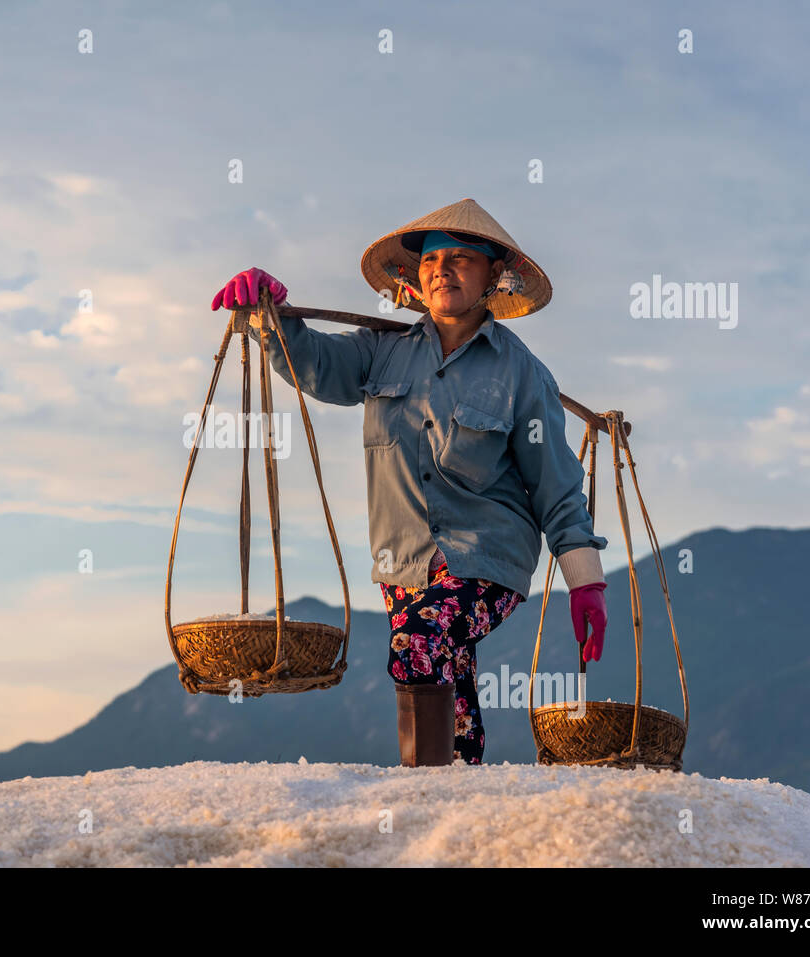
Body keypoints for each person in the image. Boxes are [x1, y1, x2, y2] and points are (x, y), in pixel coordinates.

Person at [210, 198, 609, 768]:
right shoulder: (381, 353)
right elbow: (317, 365)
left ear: (494, 275)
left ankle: (423, 794)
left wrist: (586, 584)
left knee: (420, 641)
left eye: (461, 259)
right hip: (404, 564)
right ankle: (462, 798)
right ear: (415, 278)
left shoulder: (521, 373)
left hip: (487, 560)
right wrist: (273, 314)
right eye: (431, 260)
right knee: (450, 677)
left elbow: (557, 485)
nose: (442, 269)